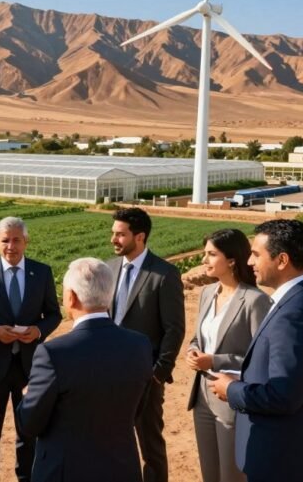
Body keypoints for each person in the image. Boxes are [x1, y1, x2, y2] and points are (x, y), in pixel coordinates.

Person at [209, 219, 303, 482]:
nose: (249, 262)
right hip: (298, 450)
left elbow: (284, 397)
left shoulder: (293, 314)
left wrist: (232, 389)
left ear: (282, 260)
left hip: (281, 457)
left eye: (256, 255)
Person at [16, 257, 152, 482]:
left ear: (71, 297)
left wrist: (27, 395)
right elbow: (137, 409)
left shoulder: (53, 353)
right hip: (122, 468)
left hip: (65, 471)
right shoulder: (140, 345)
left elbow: (29, 423)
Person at [0, 216, 62, 482]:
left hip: (30, 366)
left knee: (28, 430)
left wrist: (38, 331)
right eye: (5, 240)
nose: (11, 246)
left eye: (16, 240)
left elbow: (53, 314)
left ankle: (26, 478)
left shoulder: (41, 272)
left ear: (26, 241)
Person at [184, 229, 271, 482]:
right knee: (209, 474)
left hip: (233, 400)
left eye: (211, 254)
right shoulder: (206, 293)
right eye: (204, 254)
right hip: (202, 396)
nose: (204, 260)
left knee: (232, 476)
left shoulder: (256, 301)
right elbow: (197, 338)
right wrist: (192, 351)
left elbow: (261, 360)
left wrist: (215, 361)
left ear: (232, 260)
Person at [107, 207, 185, 482]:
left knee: (150, 446)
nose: (113, 240)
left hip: (145, 377)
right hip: (107, 374)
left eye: (120, 234)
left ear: (139, 237)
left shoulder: (164, 274)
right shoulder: (109, 267)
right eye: (113, 233)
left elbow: (174, 330)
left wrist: (158, 373)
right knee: (111, 442)